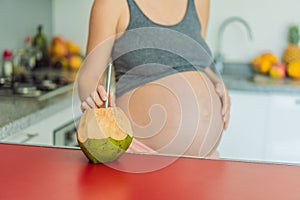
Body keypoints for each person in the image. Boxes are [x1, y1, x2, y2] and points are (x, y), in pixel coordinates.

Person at [78, 0, 230, 157]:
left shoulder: (199, 2)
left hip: (205, 158)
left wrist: (217, 81)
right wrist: (96, 103)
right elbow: (90, 75)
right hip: (141, 154)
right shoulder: (112, 4)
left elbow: (199, 61)